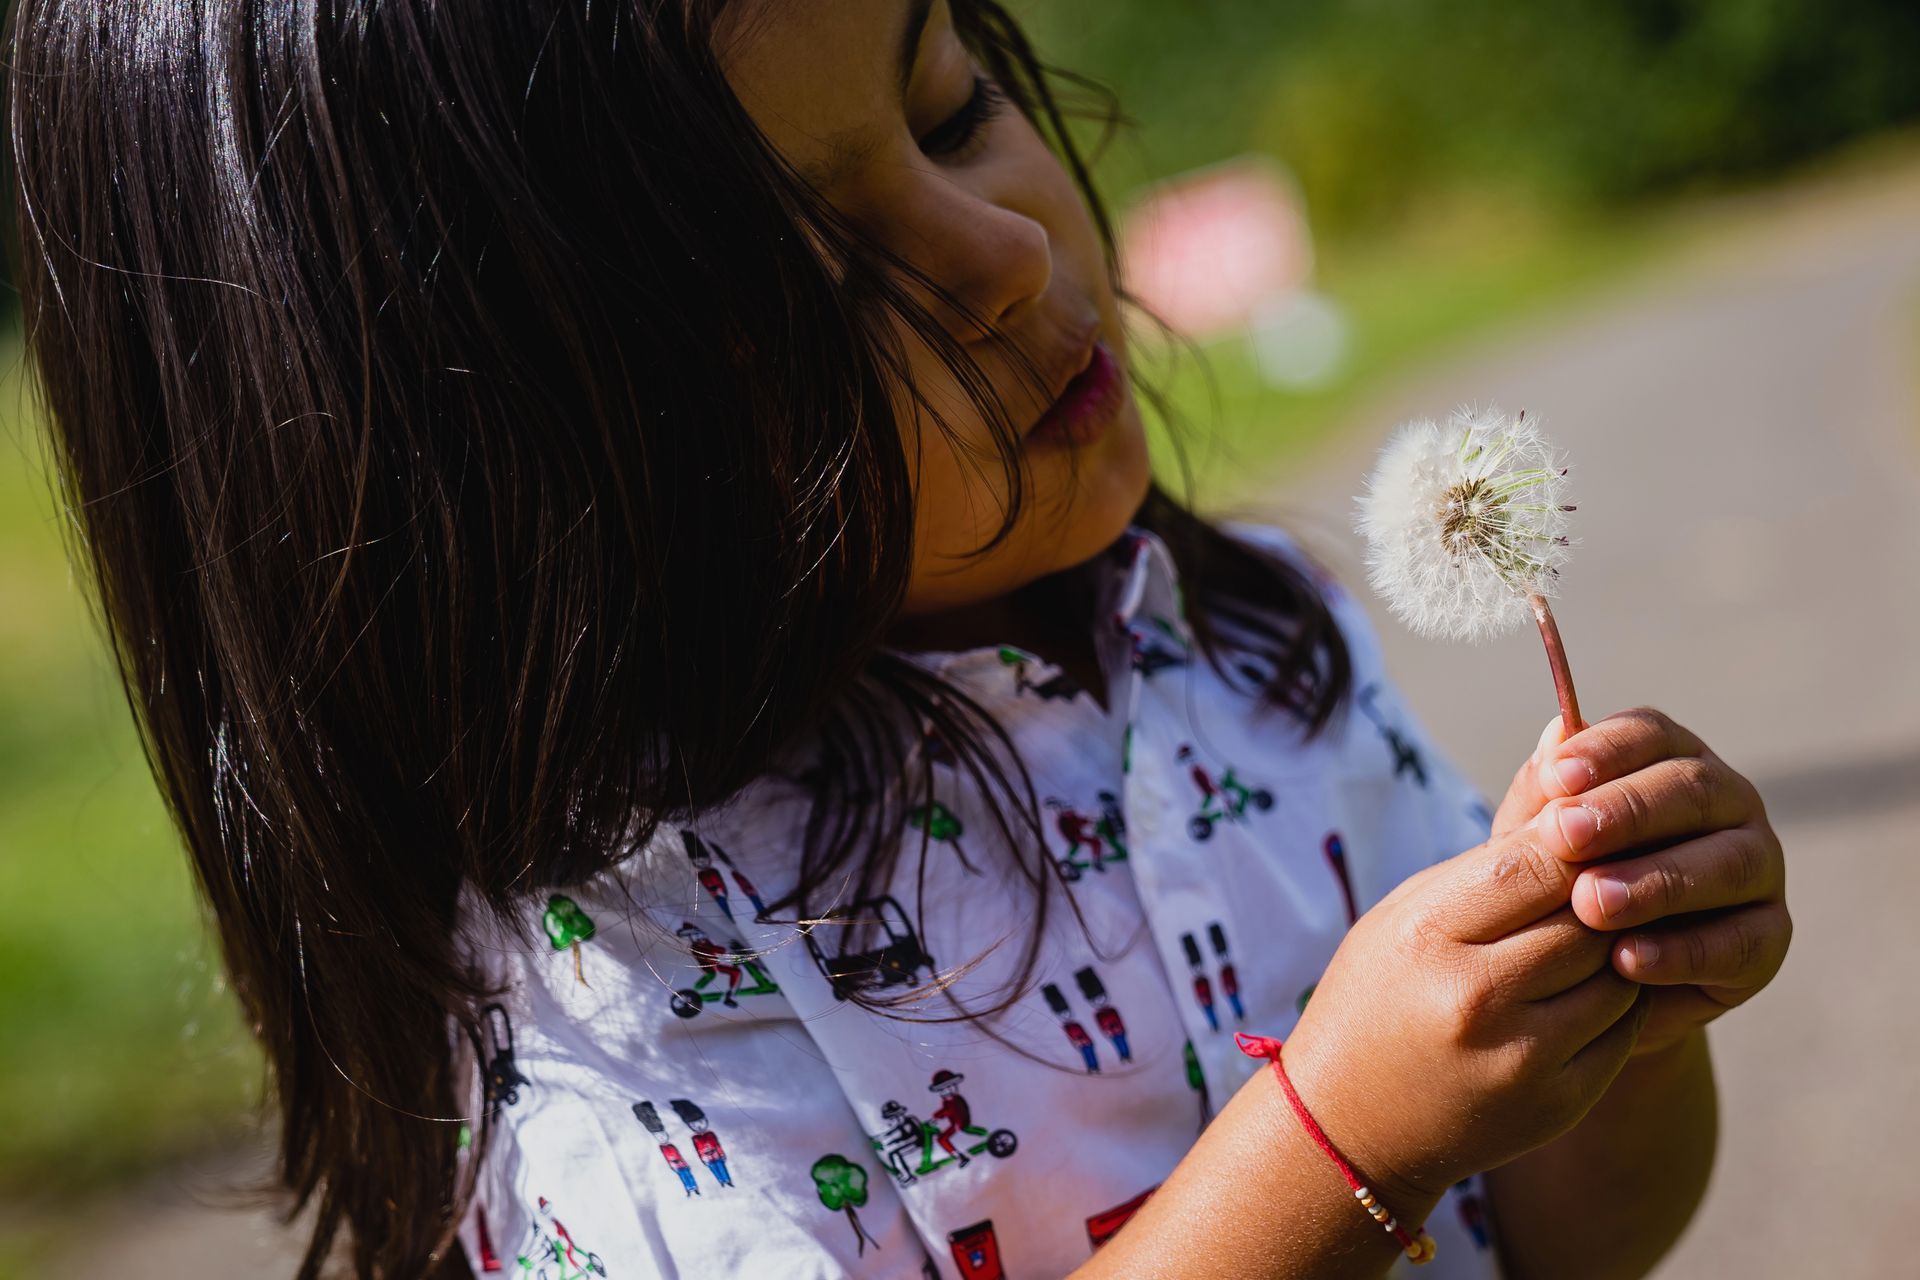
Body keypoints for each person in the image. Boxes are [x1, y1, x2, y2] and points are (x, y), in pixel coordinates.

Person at [5, 1, 1794, 1278]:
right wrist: (1335, 1148)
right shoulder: (625, 1001)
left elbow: (1585, 1235)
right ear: (509, 469)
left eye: (948, 110)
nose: (1003, 248)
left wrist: (1624, 1000)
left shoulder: (1258, 657)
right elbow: (1377, 1151)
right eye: (819, 282)